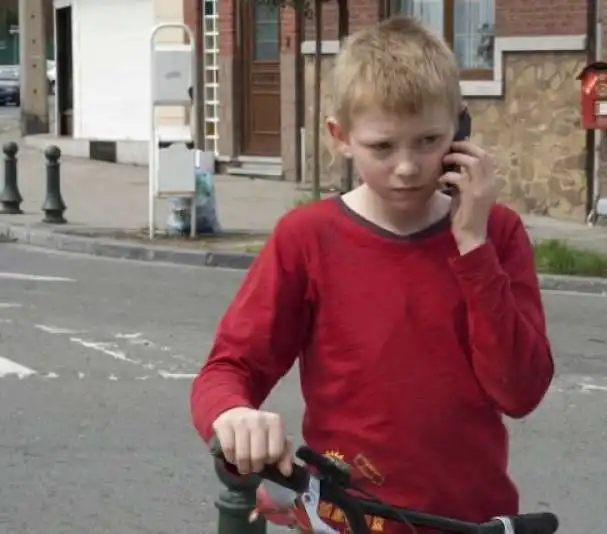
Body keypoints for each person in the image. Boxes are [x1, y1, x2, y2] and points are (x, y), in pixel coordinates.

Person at [190, 15, 554, 534]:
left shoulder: (497, 232)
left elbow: (520, 392)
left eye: (429, 141)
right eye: (382, 147)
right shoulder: (307, 237)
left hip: (468, 520)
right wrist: (232, 415)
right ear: (341, 136)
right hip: (348, 518)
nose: (407, 167)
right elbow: (228, 368)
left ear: (460, 128)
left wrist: (472, 245)